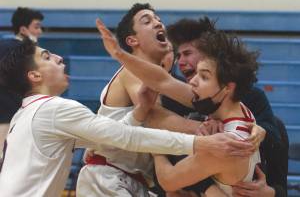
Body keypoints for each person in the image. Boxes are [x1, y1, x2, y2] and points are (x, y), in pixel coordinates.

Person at [0, 38, 257, 196]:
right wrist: (200, 142)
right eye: (46, 56)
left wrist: (138, 112)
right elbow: (124, 137)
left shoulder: (26, 113)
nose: (57, 57)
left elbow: (108, 138)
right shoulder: (55, 109)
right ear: (34, 76)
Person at [97, 19, 263, 196]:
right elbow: (163, 81)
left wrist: (154, 144)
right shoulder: (238, 109)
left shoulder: (226, 145)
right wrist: (119, 54)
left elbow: (168, 179)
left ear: (227, 88)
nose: (192, 81)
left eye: (204, 77)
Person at [77, 3, 223, 197]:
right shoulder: (132, 71)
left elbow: (191, 98)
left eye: (158, 20)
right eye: (147, 21)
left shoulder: (161, 79)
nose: (157, 23)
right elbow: (154, 115)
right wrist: (204, 130)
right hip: (109, 174)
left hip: (136, 180)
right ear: (132, 40)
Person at [164, 18, 287, 197]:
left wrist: (273, 193)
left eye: (187, 53)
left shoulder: (249, 105)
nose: (180, 62)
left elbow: (168, 176)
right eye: (178, 55)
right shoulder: (183, 97)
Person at [0, 7, 44, 156]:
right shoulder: (25, 50)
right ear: (24, 29)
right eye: (36, 27)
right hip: (10, 115)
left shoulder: (5, 46)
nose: (40, 31)